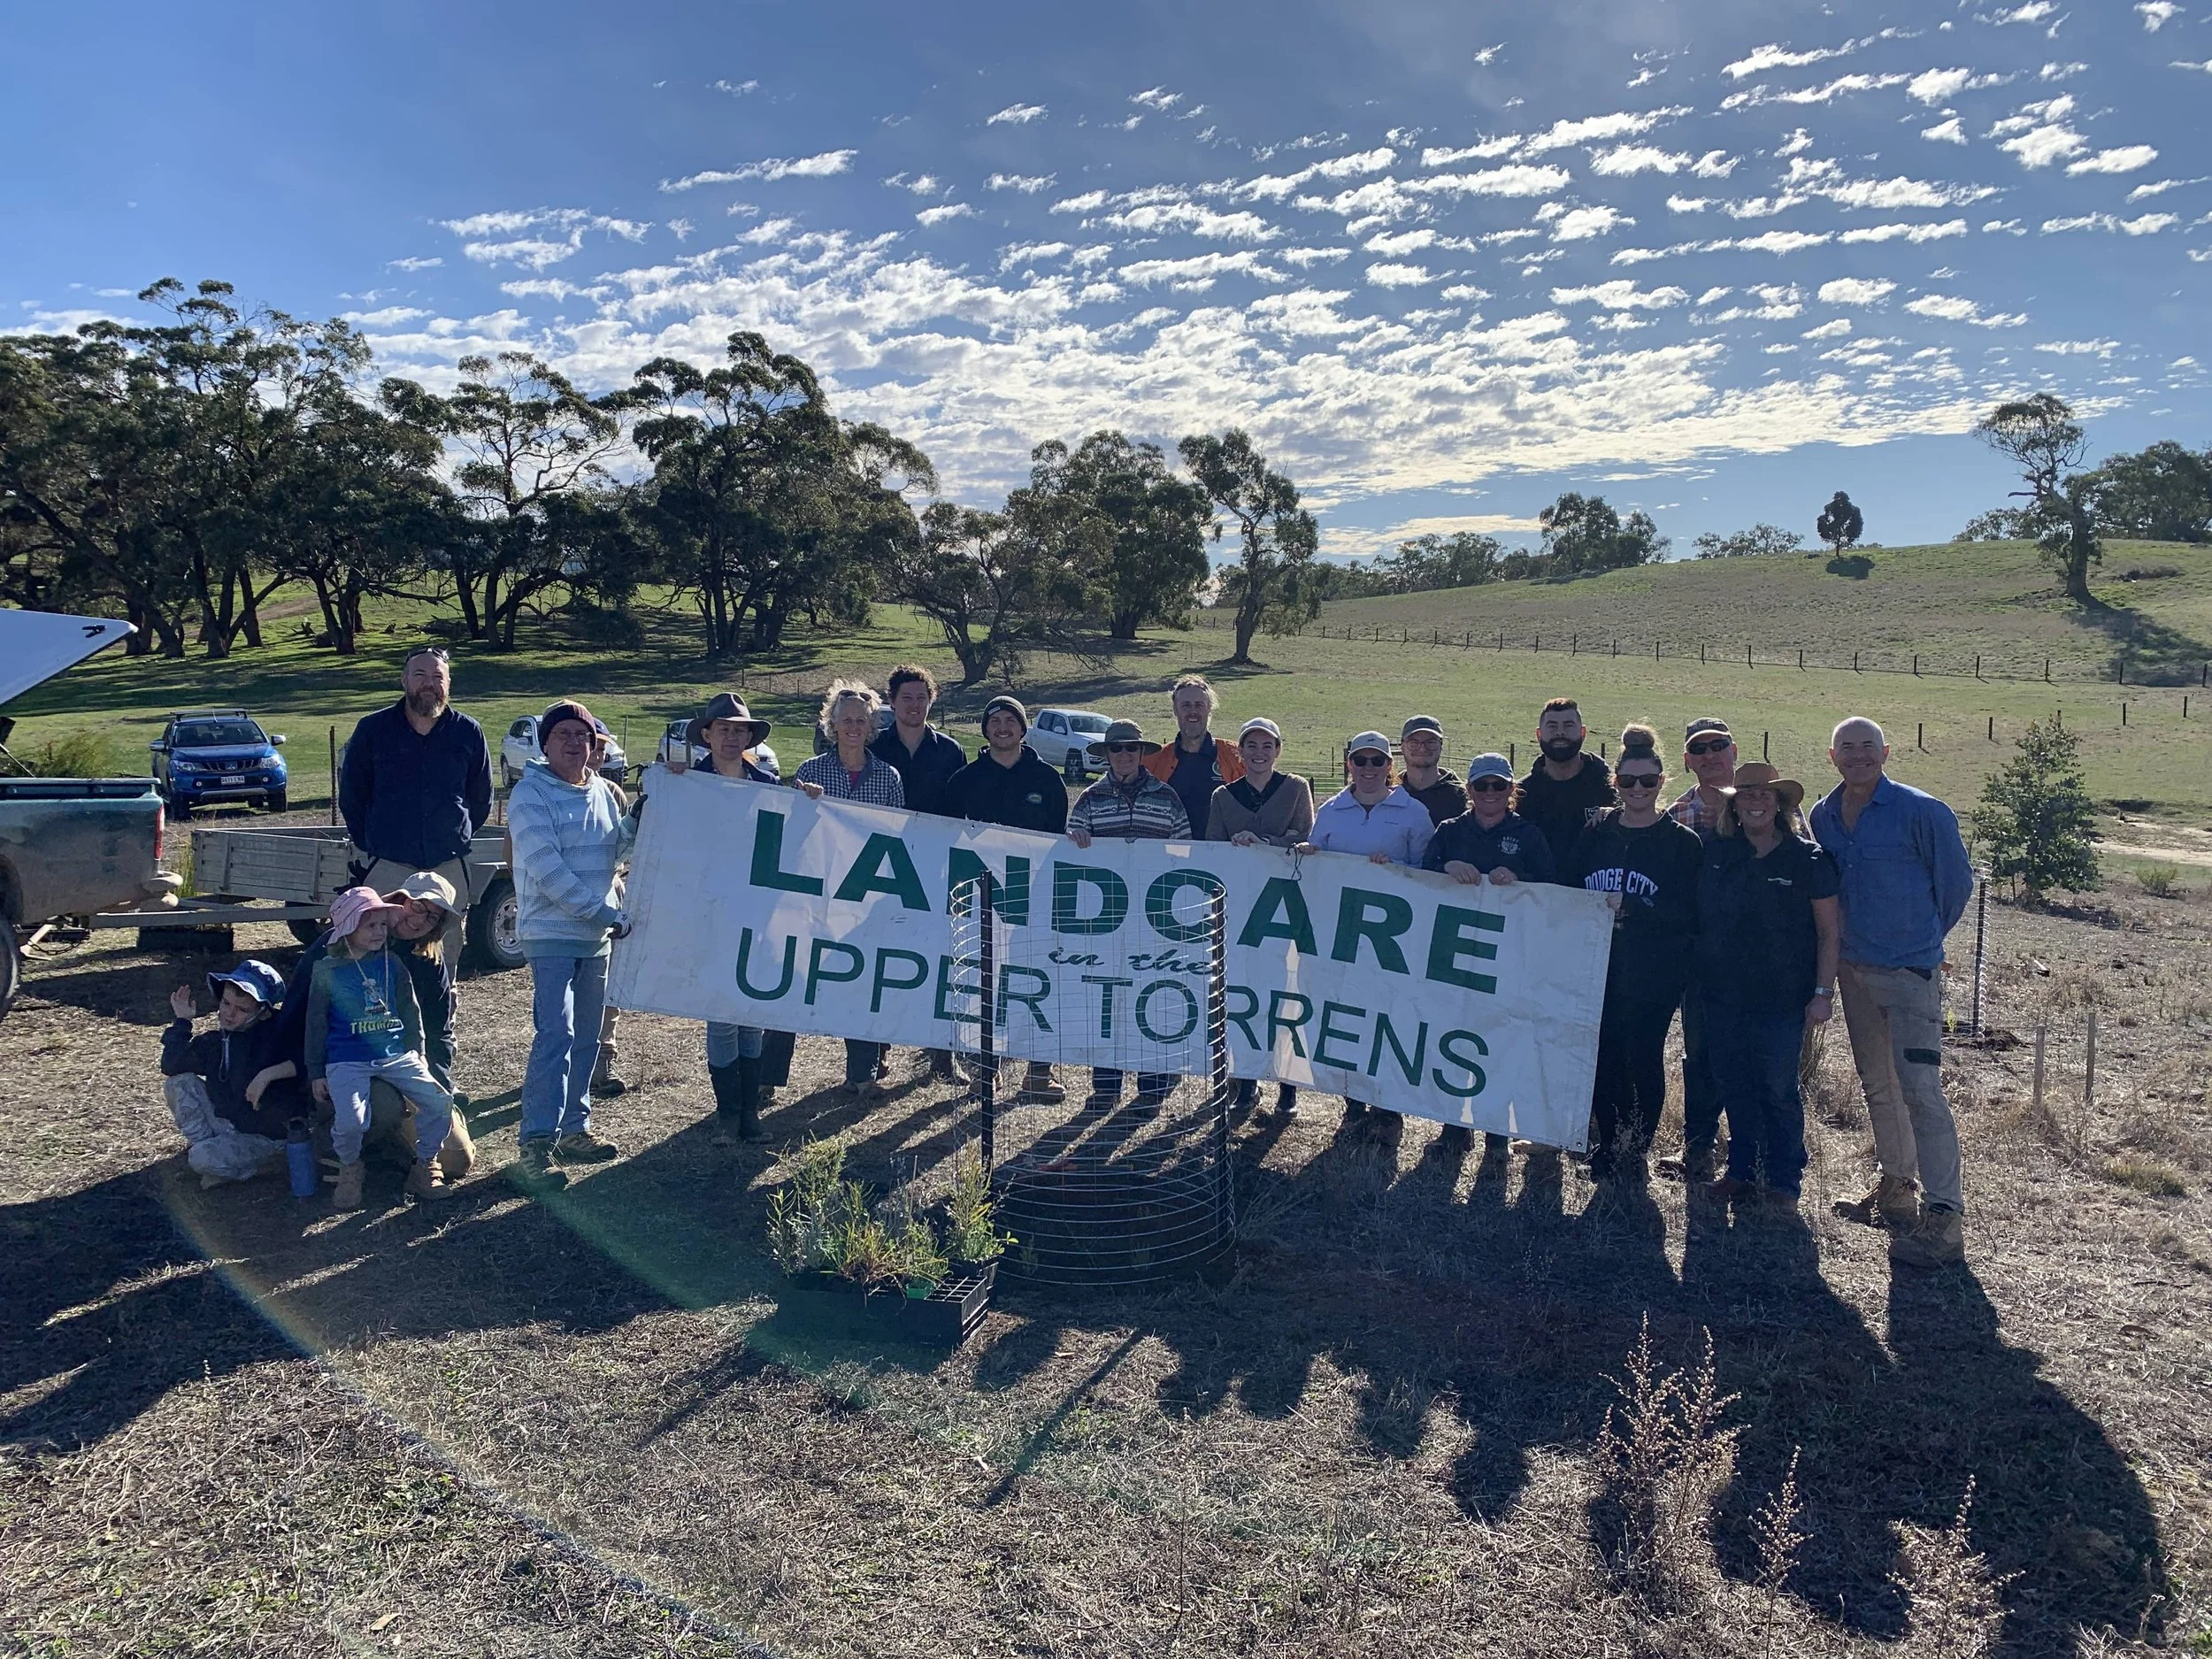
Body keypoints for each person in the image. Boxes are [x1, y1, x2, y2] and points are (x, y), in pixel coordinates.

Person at [1809, 716, 1976, 1268]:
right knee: (1878, 1086)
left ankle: (1944, 1217)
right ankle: (1896, 1193)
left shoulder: (1922, 812)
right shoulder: (1824, 815)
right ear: (1832, 757)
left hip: (1909, 975)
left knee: (1921, 1092)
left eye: (1867, 747)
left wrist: (1920, 941)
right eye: (1846, 748)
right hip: (1854, 973)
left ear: (1886, 751)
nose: (1858, 756)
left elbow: (1954, 888)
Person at [1694, 764, 1839, 1211]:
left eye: (1766, 795)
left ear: (1780, 805)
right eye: (1747, 795)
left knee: (1778, 1088)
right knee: (1734, 1083)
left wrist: (1823, 993)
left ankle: (1784, 1181)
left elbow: (1829, 933)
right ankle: (1740, 1171)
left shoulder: (1808, 859)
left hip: (1781, 997)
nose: (1756, 802)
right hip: (1721, 994)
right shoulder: (1717, 852)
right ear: (1734, 805)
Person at [1563, 726, 1703, 1187]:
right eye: (1629, 781)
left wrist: (1638, 906)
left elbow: (1689, 912)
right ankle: (1608, 1141)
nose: (1638, 789)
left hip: (1653, 971)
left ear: (1663, 781)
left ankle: (1636, 1146)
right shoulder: (1596, 833)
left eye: (1647, 781)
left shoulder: (1682, 843)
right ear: (1616, 784)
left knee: (1643, 1055)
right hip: (1595, 968)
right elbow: (1566, 888)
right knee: (1602, 1054)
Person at [276, 872, 475, 1182]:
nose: (421, 919)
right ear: (400, 901)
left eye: (433, 917)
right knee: (382, 1107)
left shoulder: (428, 962)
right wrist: (306, 1073)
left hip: (399, 1060)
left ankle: (402, 1150)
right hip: (345, 1061)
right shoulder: (336, 948)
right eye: (418, 906)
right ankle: (334, 1150)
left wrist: (434, 1081)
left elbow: (438, 1032)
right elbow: (301, 1013)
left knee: (457, 1159)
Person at [509, 698, 635, 1186]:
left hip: (595, 936)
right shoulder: (529, 795)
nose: (574, 743)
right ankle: (536, 1144)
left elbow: (616, 849)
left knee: (586, 1036)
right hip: (550, 936)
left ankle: (575, 1128)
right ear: (545, 743)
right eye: (563, 735)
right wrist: (606, 913)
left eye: (582, 736)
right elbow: (547, 870)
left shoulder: (605, 791)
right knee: (554, 1035)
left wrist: (642, 819)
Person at [1422, 751, 1558, 1155]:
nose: (1490, 793)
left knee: (1498, 1038)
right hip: (1453, 954)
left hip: (1508, 957)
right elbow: (1417, 877)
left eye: (1499, 785)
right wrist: (1446, 868)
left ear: (1511, 790)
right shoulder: (1449, 831)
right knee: (1452, 1033)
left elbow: (1550, 887)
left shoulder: (1529, 834)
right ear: (1469, 790)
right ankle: (1453, 1125)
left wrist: (1519, 879)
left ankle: (1497, 1130)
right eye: (1482, 785)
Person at [1302, 731, 1435, 1125]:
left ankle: (1388, 1103)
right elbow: (1315, 864)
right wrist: (1308, 855)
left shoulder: (1413, 813)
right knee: (1347, 1015)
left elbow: (1428, 877)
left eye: (1377, 761)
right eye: (1361, 761)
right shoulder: (1330, 810)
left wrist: (1396, 873)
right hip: (1339, 940)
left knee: (1388, 1018)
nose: (1369, 769)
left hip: (1391, 943)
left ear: (1390, 766)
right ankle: (1353, 1101)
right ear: (1350, 765)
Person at [945, 695, 1071, 1103]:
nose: (1003, 727)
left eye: (1011, 720)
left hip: (1035, 901)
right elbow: (944, 839)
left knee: (1039, 981)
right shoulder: (963, 781)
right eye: (994, 720)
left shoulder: (1048, 780)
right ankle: (987, 1070)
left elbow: (1057, 843)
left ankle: (1039, 1071)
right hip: (981, 904)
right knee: (987, 985)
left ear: (1023, 728)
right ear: (985, 730)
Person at [669, 691, 780, 1140]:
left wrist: (810, 801)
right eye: (724, 730)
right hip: (708, 914)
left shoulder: (768, 788)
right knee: (720, 1014)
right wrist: (666, 785)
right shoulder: (688, 785)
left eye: (740, 730)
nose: (732, 737)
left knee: (751, 1011)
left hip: (756, 916)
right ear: (708, 736)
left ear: (749, 738)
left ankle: (750, 1113)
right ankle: (727, 1114)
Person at [304, 887, 456, 1210]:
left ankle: (425, 1163)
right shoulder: (326, 971)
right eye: (369, 925)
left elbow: (410, 1011)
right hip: (347, 1060)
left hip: (395, 1055)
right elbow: (315, 1025)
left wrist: (418, 1052)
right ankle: (350, 1167)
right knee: (352, 1122)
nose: (378, 932)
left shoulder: (394, 964)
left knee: (440, 1101)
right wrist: (316, 1071)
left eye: (382, 925)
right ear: (348, 929)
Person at [337, 646, 493, 955]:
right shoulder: (373, 730)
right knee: (377, 954)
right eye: (420, 675)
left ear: (448, 685)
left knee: (443, 957)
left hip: (447, 866)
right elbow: (353, 796)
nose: (429, 684)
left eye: (438, 677)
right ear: (404, 680)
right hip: (388, 864)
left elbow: (481, 799)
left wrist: (451, 835)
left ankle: (441, 1004)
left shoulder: (468, 732)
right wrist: (372, 842)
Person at [1069, 718, 1188, 1113]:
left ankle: (1153, 1082)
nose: (1124, 755)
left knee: (1152, 997)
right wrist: (1076, 842)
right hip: (1105, 923)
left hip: (1155, 920)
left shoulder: (1168, 798)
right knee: (1108, 998)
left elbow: (1186, 853)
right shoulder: (1087, 800)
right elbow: (1068, 852)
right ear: (1106, 755)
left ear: (1141, 753)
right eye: (1116, 749)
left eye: (1131, 749)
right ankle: (1106, 1084)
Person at [795, 681, 906, 1098]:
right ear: (832, 725)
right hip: (816, 894)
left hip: (866, 897)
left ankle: (861, 1074)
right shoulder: (810, 773)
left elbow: (896, 839)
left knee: (861, 981)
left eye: (862, 720)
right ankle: (769, 1077)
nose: (854, 727)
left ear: (873, 725)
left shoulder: (889, 777)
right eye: (846, 721)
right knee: (791, 974)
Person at [1206, 717, 1315, 1118]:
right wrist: (1235, 845)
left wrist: (1266, 843)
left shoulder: (1295, 788)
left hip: (1285, 907)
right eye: (1251, 745)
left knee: (1285, 998)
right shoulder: (1223, 796)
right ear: (1240, 751)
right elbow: (1212, 845)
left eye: (1267, 745)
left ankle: (1288, 1088)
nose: (1258, 753)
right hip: (1241, 910)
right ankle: (1245, 1083)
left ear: (1278, 750)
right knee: (1243, 996)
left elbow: (1304, 835)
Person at [872, 664, 968, 1081]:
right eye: (905, 698)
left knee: (940, 959)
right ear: (891, 702)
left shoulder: (950, 751)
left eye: (921, 697)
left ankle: (943, 1056)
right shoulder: (874, 747)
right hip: (881, 869)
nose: (914, 705)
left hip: (937, 868)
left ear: (932, 701)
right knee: (880, 960)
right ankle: (874, 1054)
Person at [1667, 718, 1739, 1187]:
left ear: (1734, 752)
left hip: (1757, 958)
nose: (1710, 756)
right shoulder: (1676, 815)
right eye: (1700, 749)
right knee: (1700, 1055)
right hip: (1699, 956)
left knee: (1753, 1056)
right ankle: (1699, 1149)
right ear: (1688, 760)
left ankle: (1754, 1157)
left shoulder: (1765, 804)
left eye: (1718, 746)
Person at [160, 959, 302, 1187]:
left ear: (263, 1013)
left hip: (265, 1136)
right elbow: (171, 1065)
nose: (229, 1013)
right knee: (179, 1083)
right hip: (227, 1123)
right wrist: (183, 1021)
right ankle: (210, 1152)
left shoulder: (278, 1035)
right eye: (226, 1003)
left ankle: (267, 1164)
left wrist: (267, 1075)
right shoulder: (219, 1040)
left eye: (242, 1009)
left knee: (201, 1158)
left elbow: (309, 1061)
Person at [1518, 697, 1616, 871]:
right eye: (1552, 726)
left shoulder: (1611, 788)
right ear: (1539, 734)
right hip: (1536, 892)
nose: (1560, 733)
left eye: (1569, 725)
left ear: (1583, 733)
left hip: (1596, 893)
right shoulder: (1521, 794)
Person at [588, 717, 631, 1102]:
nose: (595, 754)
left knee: (609, 986)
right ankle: (568, 1063)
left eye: (602, 748)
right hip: (563, 908)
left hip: (611, 896)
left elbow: (629, 845)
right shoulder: (541, 793)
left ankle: (601, 1064)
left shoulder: (614, 794)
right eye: (592, 744)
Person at [1143, 674, 1243, 839]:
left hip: (1223, 854)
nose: (1193, 712)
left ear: (1209, 708)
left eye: (1199, 705)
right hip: (1170, 855)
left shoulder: (1235, 756)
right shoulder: (1154, 759)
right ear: (1175, 710)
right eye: (1186, 706)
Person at [1398, 715, 1468, 827]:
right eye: (1414, 743)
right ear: (1402, 747)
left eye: (1430, 743)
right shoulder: (1390, 793)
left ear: (1441, 746)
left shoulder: (1461, 796)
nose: (1422, 748)